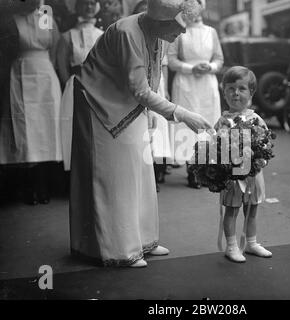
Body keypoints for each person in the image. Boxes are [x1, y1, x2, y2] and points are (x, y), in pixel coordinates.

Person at [70, 0, 211, 268]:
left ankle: (144, 240)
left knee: (141, 171)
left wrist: (150, 116)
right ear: (161, 21)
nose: (181, 34)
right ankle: (119, 249)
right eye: (178, 28)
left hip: (127, 104)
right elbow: (140, 90)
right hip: (100, 104)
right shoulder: (127, 33)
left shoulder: (156, 32)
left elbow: (152, 78)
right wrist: (182, 114)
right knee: (115, 176)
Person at [0, 0, 62, 205]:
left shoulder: (44, 14)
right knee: (25, 130)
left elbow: (51, 45)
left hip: (44, 73)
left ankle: (42, 185)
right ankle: (27, 187)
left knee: (45, 129)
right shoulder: (12, 20)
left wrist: (48, 69)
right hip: (20, 72)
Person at [214, 66, 272, 263]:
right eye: (230, 88)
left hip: (252, 174)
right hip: (232, 176)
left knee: (252, 208)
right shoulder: (223, 121)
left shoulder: (256, 119)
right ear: (224, 92)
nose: (235, 93)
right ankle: (231, 246)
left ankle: (251, 242)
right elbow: (216, 147)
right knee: (232, 209)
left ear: (251, 92)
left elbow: (266, 143)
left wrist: (260, 159)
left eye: (241, 88)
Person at [168, 0, 223, 189]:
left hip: (207, 84)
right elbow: (172, 60)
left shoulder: (211, 32)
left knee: (207, 126)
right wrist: (191, 68)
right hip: (186, 84)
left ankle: (206, 169)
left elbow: (219, 58)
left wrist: (210, 66)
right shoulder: (180, 31)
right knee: (188, 127)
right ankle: (191, 170)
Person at [57, 0, 103, 172]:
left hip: (98, 87)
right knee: (77, 127)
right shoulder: (67, 36)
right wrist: (69, 85)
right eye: (85, 3)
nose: (89, 7)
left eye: (92, 3)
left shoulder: (102, 34)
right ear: (77, 7)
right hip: (76, 85)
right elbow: (61, 65)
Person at [133, 0, 173, 192]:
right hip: (141, 84)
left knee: (158, 130)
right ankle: (143, 173)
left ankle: (157, 169)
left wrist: (162, 88)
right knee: (142, 129)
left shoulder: (162, 39)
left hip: (157, 83)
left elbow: (163, 64)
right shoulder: (132, 37)